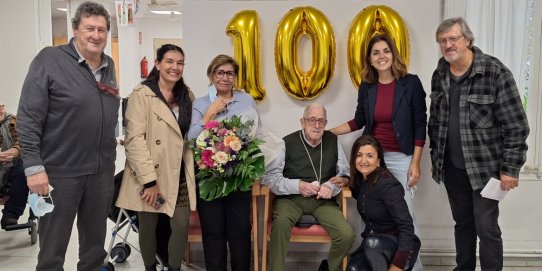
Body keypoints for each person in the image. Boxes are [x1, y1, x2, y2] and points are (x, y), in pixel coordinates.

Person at [16, 2, 119, 270]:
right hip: (58, 174)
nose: (96, 35)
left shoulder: (108, 65)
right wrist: (34, 167)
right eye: (89, 28)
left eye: (102, 29)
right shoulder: (50, 59)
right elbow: (28, 117)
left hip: (101, 173)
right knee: (52, 250)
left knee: (95, 248)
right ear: (75, 30)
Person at [429, 17, 530, 271]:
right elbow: (436, 122)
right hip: (452, 168)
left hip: (487, 170)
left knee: (486, 229)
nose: (448, 45)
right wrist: (435, 158)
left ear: (468, 40)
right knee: (462, 225)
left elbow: (516, 124)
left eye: (453, 39)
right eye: (443, 41)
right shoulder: (439, 74)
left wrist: (510, 168)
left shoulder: (495, 72)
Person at [330, 34, 426, 271]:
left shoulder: (411, 83)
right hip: (372, 160)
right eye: (376, 53)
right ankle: (378, 261)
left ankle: (414, 268)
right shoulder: (367, 86)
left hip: (402, 157)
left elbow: (419, 125)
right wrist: (328, 132)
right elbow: (360, 120)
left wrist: (415, 162)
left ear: (393, 54)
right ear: (370, 60)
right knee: (376, 215)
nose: (381, 56)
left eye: (386, 51)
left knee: (405, 219)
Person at [115, 44, 196, 271]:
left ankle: (173, 268)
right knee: (148, 226)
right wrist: (149, 181)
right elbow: (134, 140)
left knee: (180, 224)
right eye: (169, 61)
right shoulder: (142, 94)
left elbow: (191, 133)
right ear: (158, 64)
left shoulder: (187, 95)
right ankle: (150, 267)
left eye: (180, 63)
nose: (175, 67)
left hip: (178, 172)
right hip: (150, 174)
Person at [187, 54, 261, 271]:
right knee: (213, 233)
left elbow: (255, 134)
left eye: (229, 73)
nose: (225, 77)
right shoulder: (200, 104)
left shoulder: (246, 101)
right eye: (220, 72)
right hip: (209, 178)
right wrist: (211, 112)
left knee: (239, 233)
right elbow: (191, 138)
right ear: (211, 76)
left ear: (235, 77)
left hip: (238, 178)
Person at [262, 103, 355, 271]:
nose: (317, 125)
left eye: (321, 121)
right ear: (302, 122)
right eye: (312, 120)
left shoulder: (333, 140)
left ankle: (328, 268)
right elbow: (271, 178)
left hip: (322, 201)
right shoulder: (287, 142)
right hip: (291, 200)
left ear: (326, 123)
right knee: (280, 225)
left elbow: (343, 173)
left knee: (346, 234)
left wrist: (330, 187)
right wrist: (297, 185)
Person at [346, 135, 420, 271]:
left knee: (372, 243)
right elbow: (366, 197)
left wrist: (398, 264)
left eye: (369, 156)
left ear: (378, 160)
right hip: (374, 243)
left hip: (397, 244)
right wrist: (344, 181)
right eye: (359, 155)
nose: (363, 160)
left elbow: (407, 226)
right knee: (353, 268)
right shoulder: (362, 180)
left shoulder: (388, 185)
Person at [0, 103, 28, 229]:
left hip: (14, 163)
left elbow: (22, 138)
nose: (1, 108)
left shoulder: (14, 121)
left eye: (1, 106)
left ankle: (10, 214)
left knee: (23, 171)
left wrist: (16, 150)